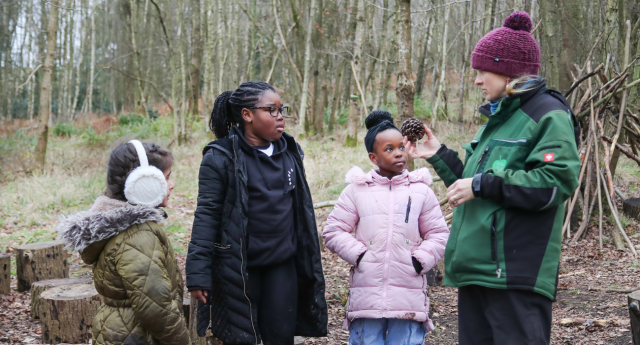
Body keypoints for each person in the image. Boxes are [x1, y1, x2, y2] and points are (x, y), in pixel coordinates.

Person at [405, 11, 581, 345]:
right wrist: (437, 153)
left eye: (483, 70)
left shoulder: (547, 114)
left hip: (514, 276)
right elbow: (473, 184)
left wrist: (482, 183)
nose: (477, 80)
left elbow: (555, 181)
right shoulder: (498, 119)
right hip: (477, 272)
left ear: (508, 70)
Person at [186, 81, 327, 345]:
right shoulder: (220, 157)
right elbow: (206, 215)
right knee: (241, 339)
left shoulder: (290, 152)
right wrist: (197, 272)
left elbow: (300, 211)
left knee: (280, 337)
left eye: (281, 109)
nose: (280, 116)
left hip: (281, 265)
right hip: (239, 268)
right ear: (247, 115)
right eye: (271, 110)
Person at [322, 110, 449, 345]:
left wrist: (419, 260)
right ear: (373, 157)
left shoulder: (420, 190)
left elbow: (439, 233)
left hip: (408, 296)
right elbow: (333, 230)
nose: (398, 154)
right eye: (389, 149)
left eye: (401, 147)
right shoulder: (357, 190)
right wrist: (360, 256)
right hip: (366, 297)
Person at [57, 140, 189, 344]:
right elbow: (156, 308)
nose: (171, 184)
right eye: (166, 178)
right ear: (145, 184)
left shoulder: (118, 228)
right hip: (138, 337)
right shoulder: (137, 235)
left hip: (118, 331)